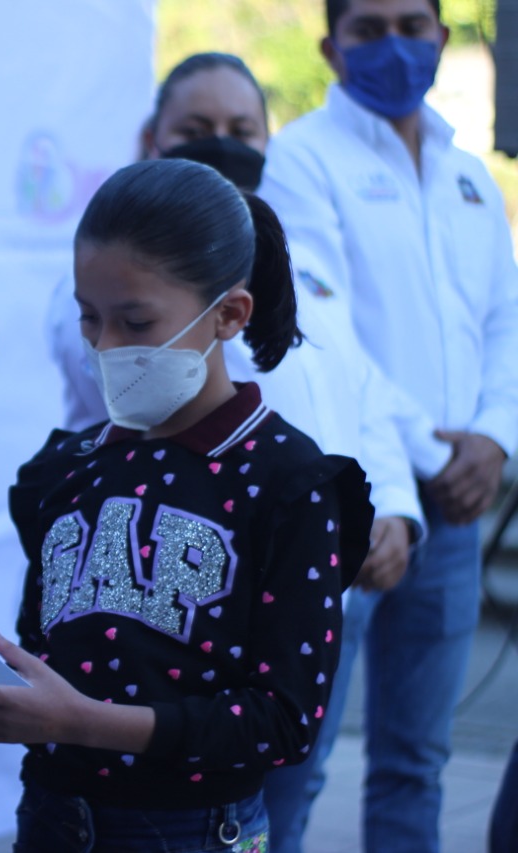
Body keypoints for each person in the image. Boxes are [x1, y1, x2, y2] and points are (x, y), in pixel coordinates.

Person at [0, 158, 374, 852]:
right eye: (89, 318)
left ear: (229, 314)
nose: (106, 346)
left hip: (195, 830)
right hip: (52, 817)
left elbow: (285, 721)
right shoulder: (65, 469)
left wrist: (82, 721)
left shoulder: (289, 481)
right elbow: (51, 649)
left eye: (135, 321)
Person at [45, 51, 431, 852]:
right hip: (148, 654)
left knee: (297, 789)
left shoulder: (306, 276)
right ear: (154, 137)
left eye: (240, 128)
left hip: (294, 592)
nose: (219, 141)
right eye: (197, 128)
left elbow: (363, 387)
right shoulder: (110, 286)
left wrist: (394, 501)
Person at [258, 1, 518, 849]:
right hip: (351, 499)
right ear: (331, 47)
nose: (396, 47)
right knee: (295, 760)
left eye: (413, 24)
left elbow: (504, 324)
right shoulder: (301, 159)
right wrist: (437, 452)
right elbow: (327, 335)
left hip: (457, 502)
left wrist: (496, 437)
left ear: (443, 35)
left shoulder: (469, 175)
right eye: (369, 30)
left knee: (417, 759)